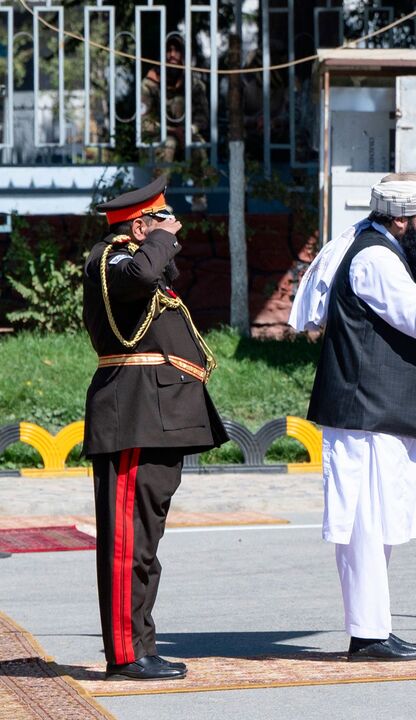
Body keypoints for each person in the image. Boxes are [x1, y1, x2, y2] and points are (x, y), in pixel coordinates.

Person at [304, 172, 416, 661]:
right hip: (364, 410)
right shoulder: (375, 258)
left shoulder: (386, 249)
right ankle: (367, 634)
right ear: (399, 220)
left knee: (380, 520)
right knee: (364, 523)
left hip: (380, 409)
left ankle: (374, 627)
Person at [83, 177, 227, 680]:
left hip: (157, 417)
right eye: (162, 221)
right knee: (128, 544)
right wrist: (157, 239)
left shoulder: (137, 260)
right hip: (133, 417)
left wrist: (160, 242)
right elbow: (141, 274)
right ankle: (125, 654)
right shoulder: (110, 260)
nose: (173, 231)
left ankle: (141, 644)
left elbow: (154, 276)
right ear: (139, 225)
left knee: (146, 545)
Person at [141, 35, 216, 211]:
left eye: (176, 50)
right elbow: (146, 123)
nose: (172, 55)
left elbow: (203, 117)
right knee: (169, 143)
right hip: (159, 138)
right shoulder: (150, 83)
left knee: (197, 145)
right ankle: (157, 202)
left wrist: (190, 129)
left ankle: (199, 197)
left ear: (183, 55)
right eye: (168, 50)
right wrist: (172, 131)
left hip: (187, 135)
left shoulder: (194, 84)